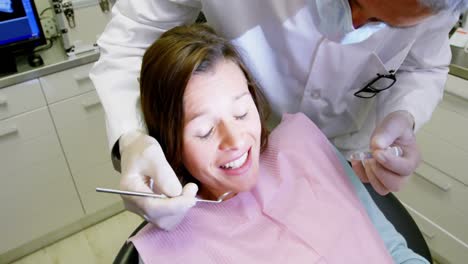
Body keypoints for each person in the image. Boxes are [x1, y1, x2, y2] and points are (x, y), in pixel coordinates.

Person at [89, 0, 468, 230]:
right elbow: (128, 43)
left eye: (381, 24)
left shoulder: (437, 10)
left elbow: (423, 65)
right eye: (204, 130)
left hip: (345, 161)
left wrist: (404, 114)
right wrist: (131, 136)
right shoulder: (185, 232)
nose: (351, 25)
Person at [128, 24, 428, 264]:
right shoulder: (170, 249)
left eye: (242, 112)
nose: (235, 140)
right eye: (205, 131)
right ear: (169, 142)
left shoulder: (305, 145)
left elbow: (392, 249)